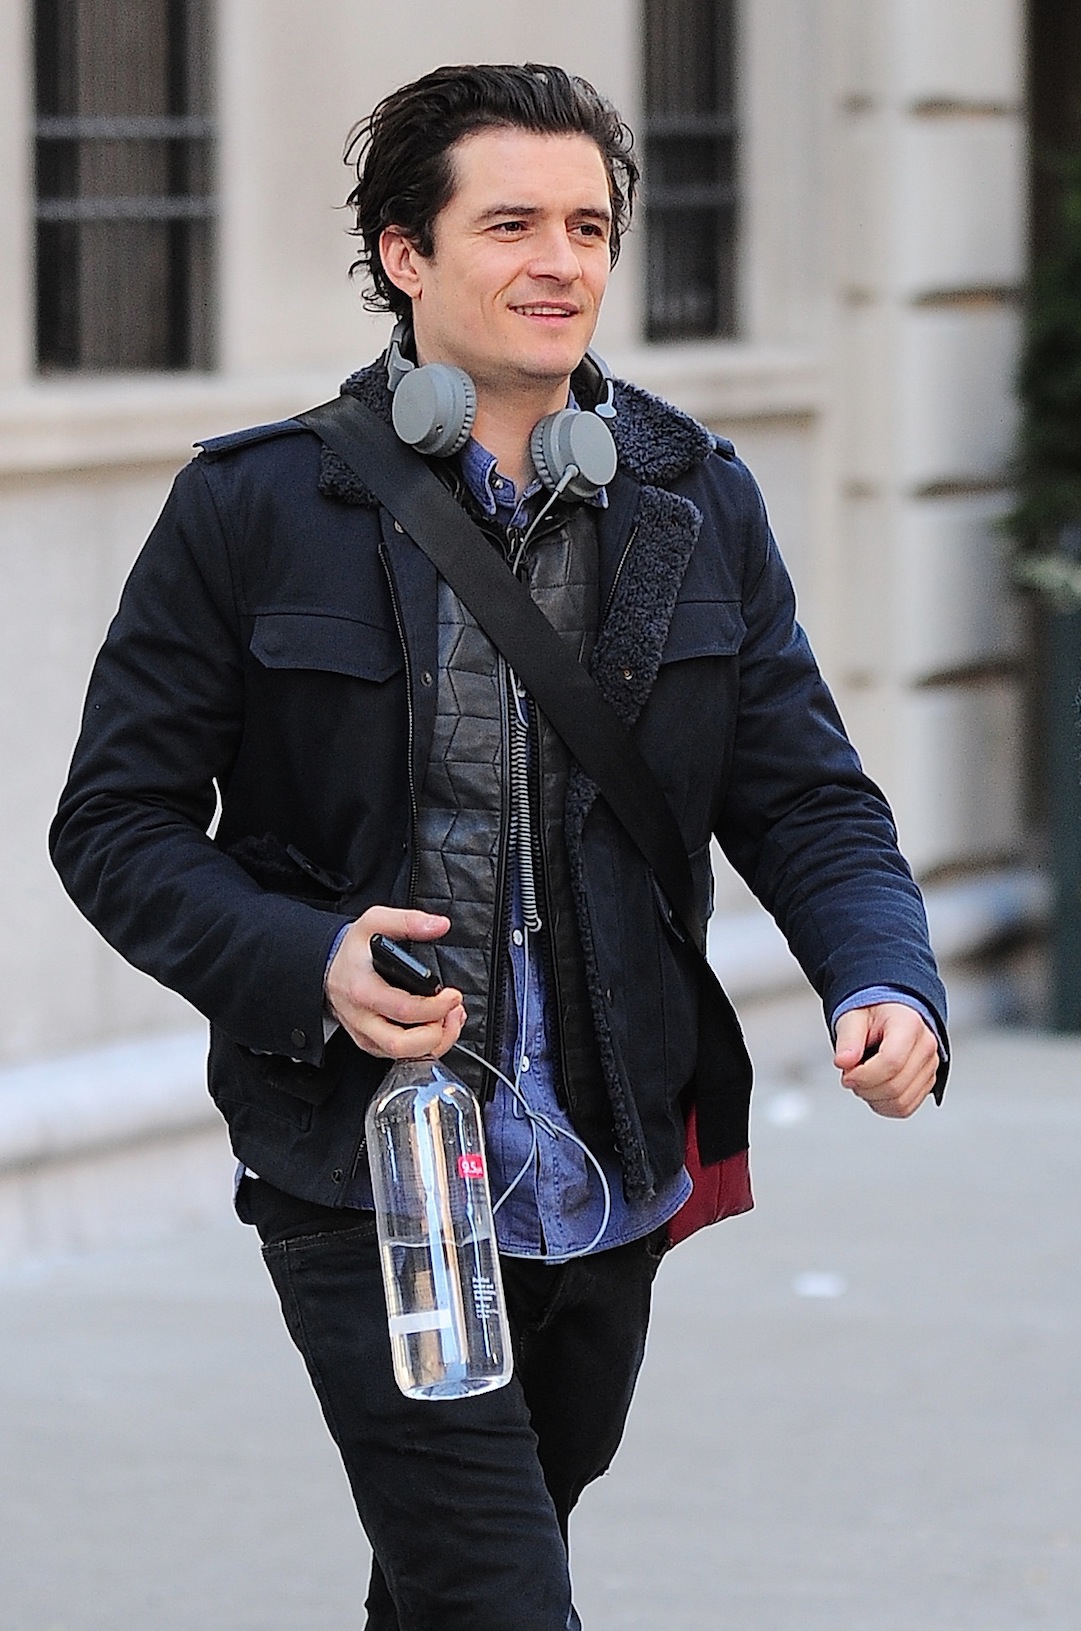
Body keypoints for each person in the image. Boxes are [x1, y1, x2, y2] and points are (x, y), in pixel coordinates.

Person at [51, 63, 945, 1631]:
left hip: (607, 1159)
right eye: (512, 223)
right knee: (500, 1594)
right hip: (370, 1167)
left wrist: (887, 978)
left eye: (590, 226)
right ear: (406, 254)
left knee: (463, 1572)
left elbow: (805, 794)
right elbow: (114, 828)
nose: (562, 262)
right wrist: (308, 961)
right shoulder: (252, 507)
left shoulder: (694, 497)